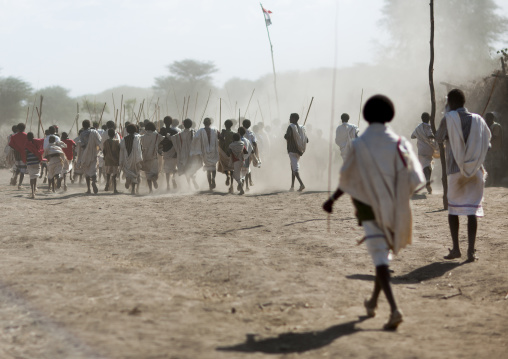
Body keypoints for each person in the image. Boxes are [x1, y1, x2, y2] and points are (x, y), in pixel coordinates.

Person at [323, 95, 424, 331]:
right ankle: (373, 302)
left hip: (368, 208)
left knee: (379, 257)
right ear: (390, 115)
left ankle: (395, 309)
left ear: (366, 117)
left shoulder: (359, 145)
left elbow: (347, 178)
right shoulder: (400, 142)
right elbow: (416, 178)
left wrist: (332, 200)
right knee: (382, 256)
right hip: (397, 207)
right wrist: (397, 198)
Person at [436, 89, 491, 262]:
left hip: (455, 170)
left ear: (450, 102)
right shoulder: (478, 120)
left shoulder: (448, 118)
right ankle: (470, 252)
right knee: (471, 211)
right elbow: (487, 145)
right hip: (476, 171)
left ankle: (456, 249)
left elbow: (439, 138)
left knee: (453, 210)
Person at [411, 112, 439, 194]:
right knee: (428, 165)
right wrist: (435, 137)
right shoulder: (428, 127)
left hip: (421, 150)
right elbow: (430, 135)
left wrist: (419, 136)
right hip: (429, 149)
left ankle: (424, 181)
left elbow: (412, 136)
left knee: (423, 165)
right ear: (429, 119)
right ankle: (427, 180)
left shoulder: (418, 127)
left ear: (421, 118)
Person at [170, 119, 200, 190]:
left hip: (183, 154)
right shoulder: (194, 132)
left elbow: (173, 138)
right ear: (191, 125)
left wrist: (168, 136)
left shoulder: (180, 134)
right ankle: (193, 180)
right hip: (192, 153)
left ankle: (189, 184)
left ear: (183, 125)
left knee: (186, 169)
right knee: (191, 168)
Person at [193, 118, 220, 191]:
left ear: (203, 123)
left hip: (205, 151)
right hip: (213, 151)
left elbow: (195, 138)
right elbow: (220, 137)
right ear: (210, 123)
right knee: (213, 166)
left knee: (208, 169)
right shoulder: (215, 130)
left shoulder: (200, 131)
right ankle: (213, 178)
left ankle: (210, 185)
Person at [76, 119, 102, 194]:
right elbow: (99, 141)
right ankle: (94, 181)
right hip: (93, 153)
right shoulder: (94, 132)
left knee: (86, 171)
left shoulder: (82, 134)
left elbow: (82, 144)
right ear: (89, 125)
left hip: (85, 154)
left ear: (83, 126)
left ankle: (88, 189)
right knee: (93, 169)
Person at [284, 113, 308, 192]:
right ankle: (292, 186)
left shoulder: (291, 127)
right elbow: (306, 140)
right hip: (299, 151)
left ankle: (301, 184)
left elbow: (288, 136)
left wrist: (285, 136)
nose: (289, 119)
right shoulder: (302, 128)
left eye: (290, 118)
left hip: (292, 150)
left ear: (294, 118)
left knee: (295, 169)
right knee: (293, 167)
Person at [119, 124, 143, 195]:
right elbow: (138, 149)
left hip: (126, 158)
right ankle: (133, 189)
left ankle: (128, 180)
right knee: (135, 173)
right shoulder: (137, 138)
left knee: (128, 172)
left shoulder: (124, 139)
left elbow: (121, 149)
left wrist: (122, 159)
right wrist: (139, 159)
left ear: (127, 130)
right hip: (134, 159)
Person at [140, 121, 162, 193]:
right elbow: (162, 139)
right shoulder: (156, 135)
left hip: (145, 157)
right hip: (154, 156)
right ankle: (154, 180)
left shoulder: (142, 137)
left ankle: (150, 190)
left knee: (148, 175)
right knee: (156, 173)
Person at [484, 112, 504, 186]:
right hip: (489, 150)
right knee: (488, 166)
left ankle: (495, 182)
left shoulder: (496, 126)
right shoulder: (488, 126)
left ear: (492, 118)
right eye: (486, 118)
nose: (486, 120)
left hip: (495, 150)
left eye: (488, 118)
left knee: (495, 166)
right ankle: (490, 182)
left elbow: (493, 137)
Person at [24, 132, 44, 198]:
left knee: (31, 177)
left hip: (30, 162)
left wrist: (26, 161)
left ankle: (32, 192)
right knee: (35, 177)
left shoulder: (27, 144)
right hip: (36, 161)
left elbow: (26, 154)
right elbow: (42, 141)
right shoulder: (37, 142)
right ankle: (35, 189)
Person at [8, 123, 28, 189]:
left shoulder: (14, 136)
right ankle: (20, 184)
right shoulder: (26, 135)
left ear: (18, 129)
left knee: (18, 167)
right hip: (24, 154)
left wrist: (16, 148)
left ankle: (14, 177)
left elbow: (10, 144)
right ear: (24, 128)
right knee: (23, 169)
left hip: (16, 154)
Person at [218, 120, 236, 192]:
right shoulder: (234, 134)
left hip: (224, 152)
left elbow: (220, 142)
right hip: (231, 153)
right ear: (231, 126)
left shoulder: (223, 133)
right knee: (232, 169)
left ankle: (227, 175)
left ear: (225, 125)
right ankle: (231, 186)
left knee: (225, 166)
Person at [103, 128, 121, 193]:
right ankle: (115, 189)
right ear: (114, 134)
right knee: (114, 175)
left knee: (108, 174)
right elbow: (119, 151)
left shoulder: (105, 142)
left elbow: (104, 151)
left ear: (108, 134)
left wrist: (105, 158)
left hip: (108, 160)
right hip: (115, 160)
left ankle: (107, 183)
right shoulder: (117, 142)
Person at [242, 119, 258, 187]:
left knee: (245, 168)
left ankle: (246, 185)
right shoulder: (252, 132)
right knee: (247, 167)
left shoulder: (241, 132)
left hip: (243, 152)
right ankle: (249, 182)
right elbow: (254, 143)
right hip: (250, 152)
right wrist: (255, 153)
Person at [238, 127, 255, 191]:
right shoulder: (247, 140)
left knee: (239, 172)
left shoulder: (237, 141)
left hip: (238, 159)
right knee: (246, 172)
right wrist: (254, 158)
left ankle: (241, 181)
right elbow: (252, 150)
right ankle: (247, 186)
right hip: (246, 159)